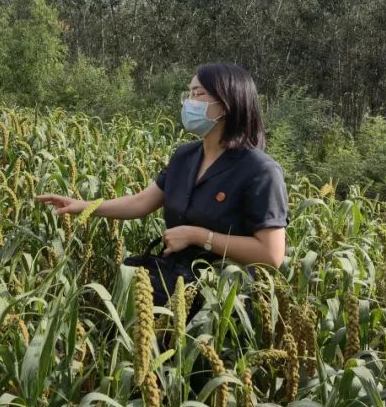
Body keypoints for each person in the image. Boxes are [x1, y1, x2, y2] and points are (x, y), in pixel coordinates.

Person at [36, 62, 288, 301]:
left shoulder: (260, 171)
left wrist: (199, 236)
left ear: (226, 104)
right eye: (188, 93)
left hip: (221, 299)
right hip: (173, 282)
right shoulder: (185, 156)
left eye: (198, 94)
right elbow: (141, 202)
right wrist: (83, 206)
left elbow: (270, 254)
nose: (189, 102)